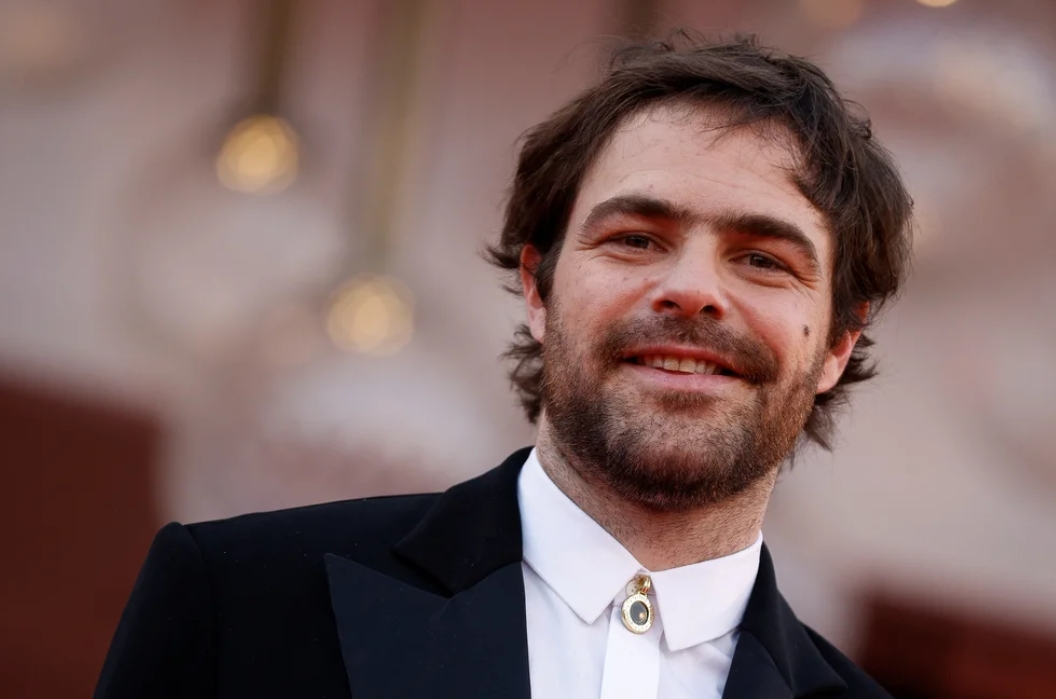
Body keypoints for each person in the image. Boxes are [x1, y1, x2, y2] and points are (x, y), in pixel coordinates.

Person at [95, 34, 913, 699]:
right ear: (538, 288)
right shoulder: (237, 602)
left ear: (837, 344)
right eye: (636, 238)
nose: (693, 289)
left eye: (764, 259)